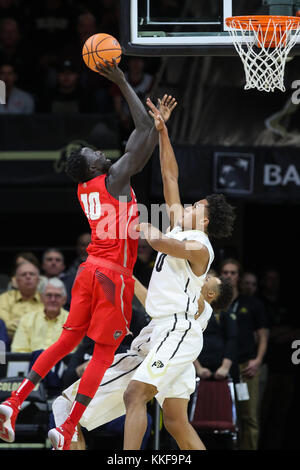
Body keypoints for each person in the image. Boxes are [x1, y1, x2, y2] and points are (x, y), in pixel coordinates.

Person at [0, 60, 174, 450]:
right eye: (95, 152)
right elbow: (141, 132)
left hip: (88, 271)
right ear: (93, 167)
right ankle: (67, 428)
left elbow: (142, 140)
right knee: (103, 353)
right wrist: (122, 81)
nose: (100, 151)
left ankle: (13, 401)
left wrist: (158, 128)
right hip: (111, 277)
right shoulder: (113, 179)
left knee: (65, 342)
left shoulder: (88, 188)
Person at [120, 98, 235, 450]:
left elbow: (163, 246)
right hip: (165, 329)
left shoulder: (201, 246)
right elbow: (170, 174)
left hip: (178, 330)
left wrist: (142, 225)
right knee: (174, 421)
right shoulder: (180, 227)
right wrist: (162, 131)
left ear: (204, 220)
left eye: (194, 206)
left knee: (134, 394)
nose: (185, 205)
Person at [52, 273, 233, 451]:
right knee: (178, 424)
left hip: (149, 358)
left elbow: (152, 304)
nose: (202, 277)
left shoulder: (197, 302)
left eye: (208, 279)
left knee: (66, 405)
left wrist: (129, 277)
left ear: (211, 294)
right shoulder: (189, 307)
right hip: (179, 365)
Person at [219, 258, 269, 450]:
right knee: (224, 417)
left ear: (239, 276)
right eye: (225, 272)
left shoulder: (252, 303)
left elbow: (263, 335)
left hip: (246, 366)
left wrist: (257, 360)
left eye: (233, 273)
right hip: (223, 367)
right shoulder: (216, 302)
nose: (229, 276)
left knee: (249, 416)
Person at [10, 278, 69, 353]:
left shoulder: (73, 322)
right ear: (41, 298)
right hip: (32, 364)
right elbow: (18, 351)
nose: (53, 299)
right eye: (49, 295)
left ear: (64, 299)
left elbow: (74, 353)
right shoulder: (27, 320)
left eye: (57, 296)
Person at [0, 262, 43, 340]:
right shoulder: (4, 298)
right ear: (16, 280)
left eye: (32, 274)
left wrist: (19, 325)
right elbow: (4, 325)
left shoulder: (47, 299)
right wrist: (32, 326)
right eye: (23, 274)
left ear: (38, 280)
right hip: (11, 343)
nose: (28, 277)